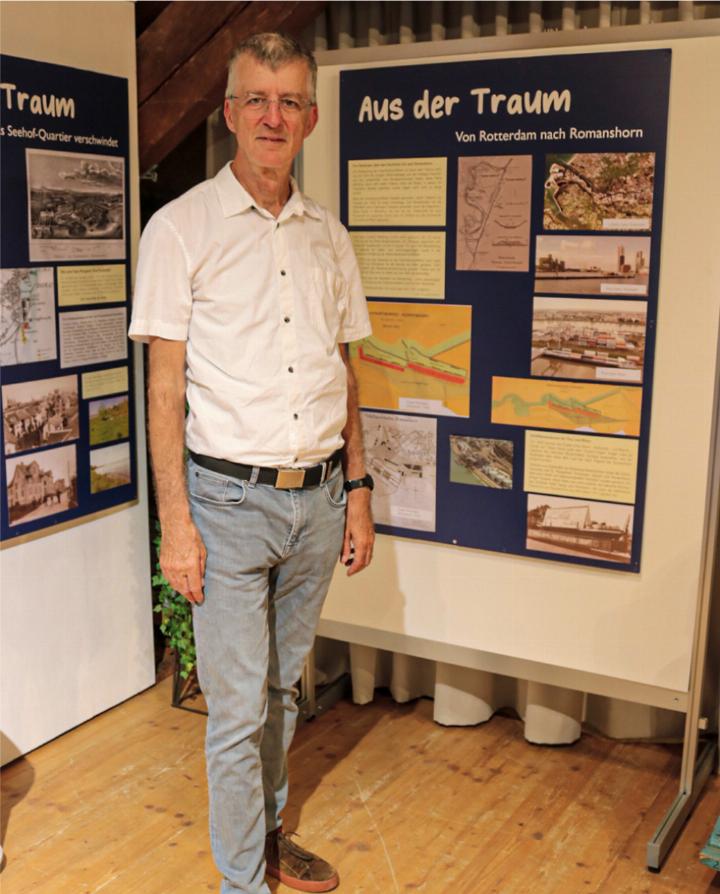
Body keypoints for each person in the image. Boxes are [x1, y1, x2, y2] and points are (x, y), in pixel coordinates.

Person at [129, 32, 374, 894]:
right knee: (235, 712)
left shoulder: (327, 238)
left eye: (290, 100)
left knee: (279, 697)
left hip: (318, 500)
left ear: (310, 117)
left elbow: (343, 371)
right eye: (257, 99)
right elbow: (165, 390)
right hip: (226, 504)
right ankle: (242, 884)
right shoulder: (180, 229)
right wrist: (176, 528)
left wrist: (361, 491)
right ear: (230, 113)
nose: (274, 116)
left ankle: (265, 837)